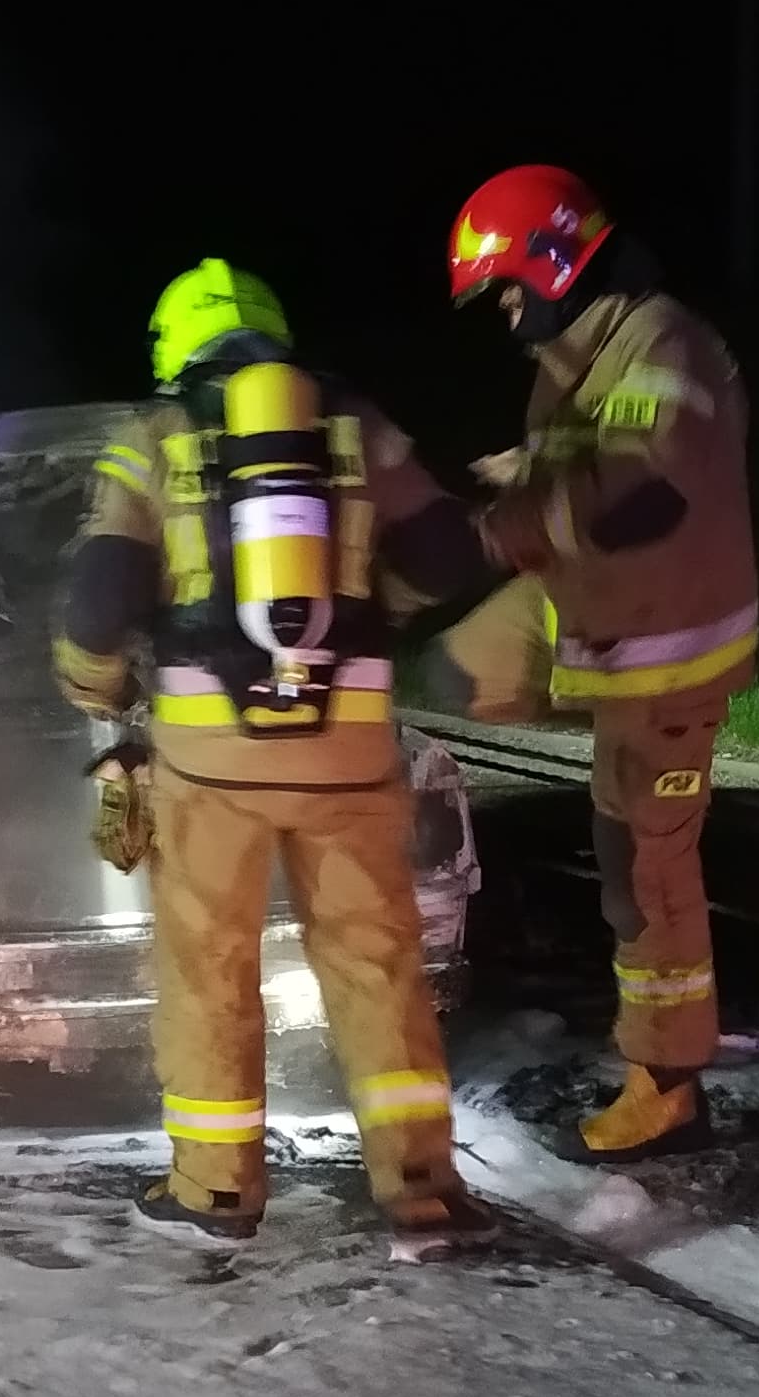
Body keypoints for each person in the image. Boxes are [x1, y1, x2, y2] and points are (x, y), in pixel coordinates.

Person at [54, 260, 499, 1256]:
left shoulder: (153, 441)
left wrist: (100, 691)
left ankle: (215, 1195)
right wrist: (370, 606)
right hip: (348, 755)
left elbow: (94, 607)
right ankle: (423, 1193)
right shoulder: (362, 432)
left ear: (176, 349)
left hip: (210, 766)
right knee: (378, 969)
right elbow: (449, 560)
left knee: (211, 970)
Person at [449, 166, 759, 1158]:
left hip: (671, 667)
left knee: (650, 878)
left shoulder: (662, 342)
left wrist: (511, 522)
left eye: (506, 291)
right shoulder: (598, 352)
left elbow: (643, 488)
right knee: (628, 863)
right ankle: (660, 1067)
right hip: (627, 657)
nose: (505, 316)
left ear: (553, 262)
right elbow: (596, 466)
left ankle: (667, 1090)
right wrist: (532, 476)